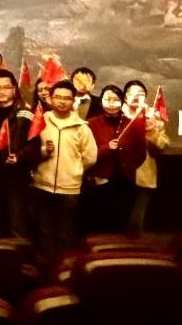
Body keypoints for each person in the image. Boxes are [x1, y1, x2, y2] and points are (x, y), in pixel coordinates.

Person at [31, 80, 97, 260]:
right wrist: (43, 152)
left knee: (66, 231)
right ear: (50, 99)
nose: (61, 101)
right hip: (42, 185)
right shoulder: (41, 121)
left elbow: (90, 157)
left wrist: (75, 170)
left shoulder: (82, 127)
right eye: (58, 97)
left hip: (70, 188)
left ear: (73, 101)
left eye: (67, 98)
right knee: (43, 229)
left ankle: (63, 266)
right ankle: (45, 266)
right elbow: (30, 150)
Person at [0, 69, 38, 237]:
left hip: (15, 176)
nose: (2, 91)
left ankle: (21, 253)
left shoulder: (25, 112)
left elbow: (35, 144)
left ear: (14, 89)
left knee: (16, 225)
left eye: (6, 87)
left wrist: (19, 156)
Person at [85, 84, 145, 233]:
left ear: (122, 101)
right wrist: (106, 148)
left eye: (116, 99)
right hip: (99, 180)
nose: (111, 103)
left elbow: (141, 153)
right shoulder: (91, 123)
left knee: (121, 221)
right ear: (101, 101)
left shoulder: (131, 123)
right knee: (99, 221)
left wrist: (129, 167)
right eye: (108, 99)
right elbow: (85, 154)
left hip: (125, 181)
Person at [122, 80, 169, 235]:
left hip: (144, 172)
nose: (136, 96)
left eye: (141, 94)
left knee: (136, 220)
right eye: (132, 93)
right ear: (125, 97)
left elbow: (161, 146)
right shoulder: (117, 114)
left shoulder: (152, 118)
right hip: (118, 173)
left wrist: (151, 130)